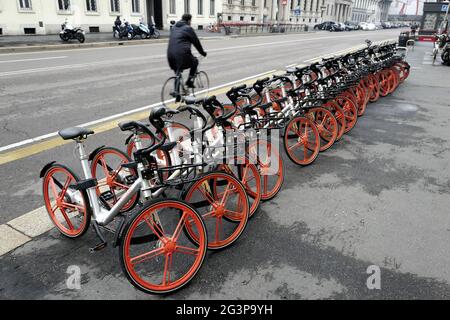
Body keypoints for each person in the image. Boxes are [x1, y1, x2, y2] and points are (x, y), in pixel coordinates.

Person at [167, 13, 207, 88]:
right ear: (189, 20)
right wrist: (202, 53)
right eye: (190, 21)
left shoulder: (174, 27)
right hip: (182, 55)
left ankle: (177, 93)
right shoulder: (188, 28)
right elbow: (196, 42)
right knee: (195, 61)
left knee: (177, 72)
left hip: (170, 55)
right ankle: (189, 81)